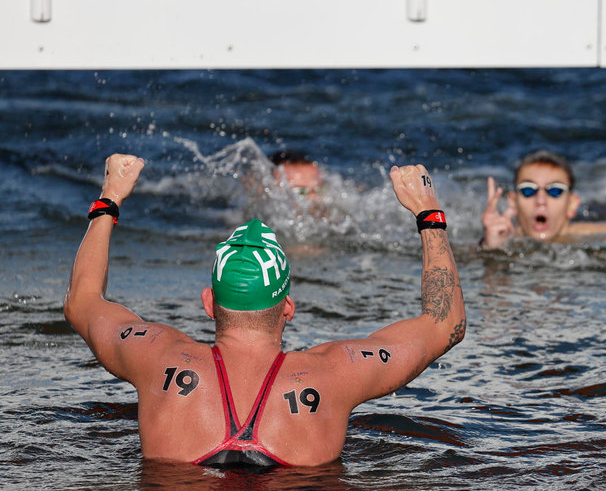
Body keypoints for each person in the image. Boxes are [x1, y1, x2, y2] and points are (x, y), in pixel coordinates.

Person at [65, 153, 465, 467]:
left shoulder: (154, 355)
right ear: (287, 307)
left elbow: (82, 302)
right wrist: (428, 213)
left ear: (209, 303)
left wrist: (110, 198)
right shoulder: (336, 373)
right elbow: (445, 323)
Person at [479, 149, 606, 249]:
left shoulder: (605, 235)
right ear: (513, 203)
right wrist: (489, 247)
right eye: (528, 189)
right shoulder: (505, 239)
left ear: (572, 204)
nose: (540, 199)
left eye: (555, 190)